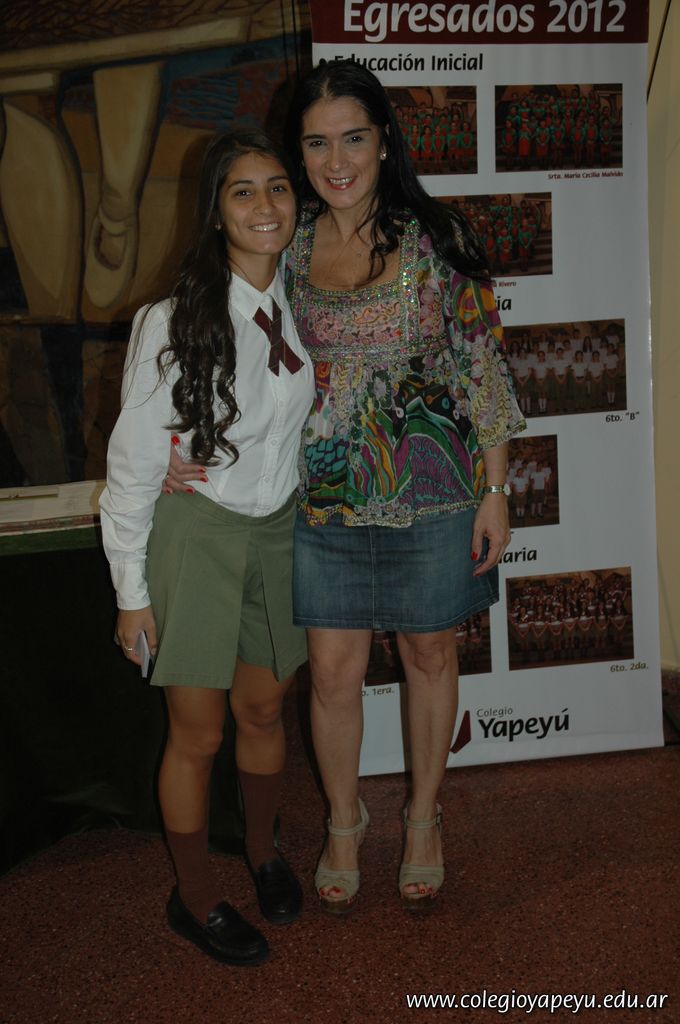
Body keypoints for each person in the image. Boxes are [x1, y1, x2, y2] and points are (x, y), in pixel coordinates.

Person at [169, 61, 524, 915]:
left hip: (434, 485)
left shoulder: (438, 237)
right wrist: (179, 444)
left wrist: (498, 489)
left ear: (384, 141)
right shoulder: (283, 244)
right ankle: (342, 819)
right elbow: (221, 342)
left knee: (430, 654)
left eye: (353, 138)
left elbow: (483, 366)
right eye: (317, 143)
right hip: (322, 491)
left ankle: (425, 817)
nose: (337, 161)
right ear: (298, 153)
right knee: (330, 673)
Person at [99, 131, 315, 964]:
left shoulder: (304, 298)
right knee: (198, 735)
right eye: (242, 191)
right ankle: (192, 897)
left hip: (280, 530)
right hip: (198, 533)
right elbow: (130, 468)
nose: (265, 206)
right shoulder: (173, 319)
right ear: (216, 212)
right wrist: (131, 594)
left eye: (278, 188)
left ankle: (262, 851)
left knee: (263, 711)